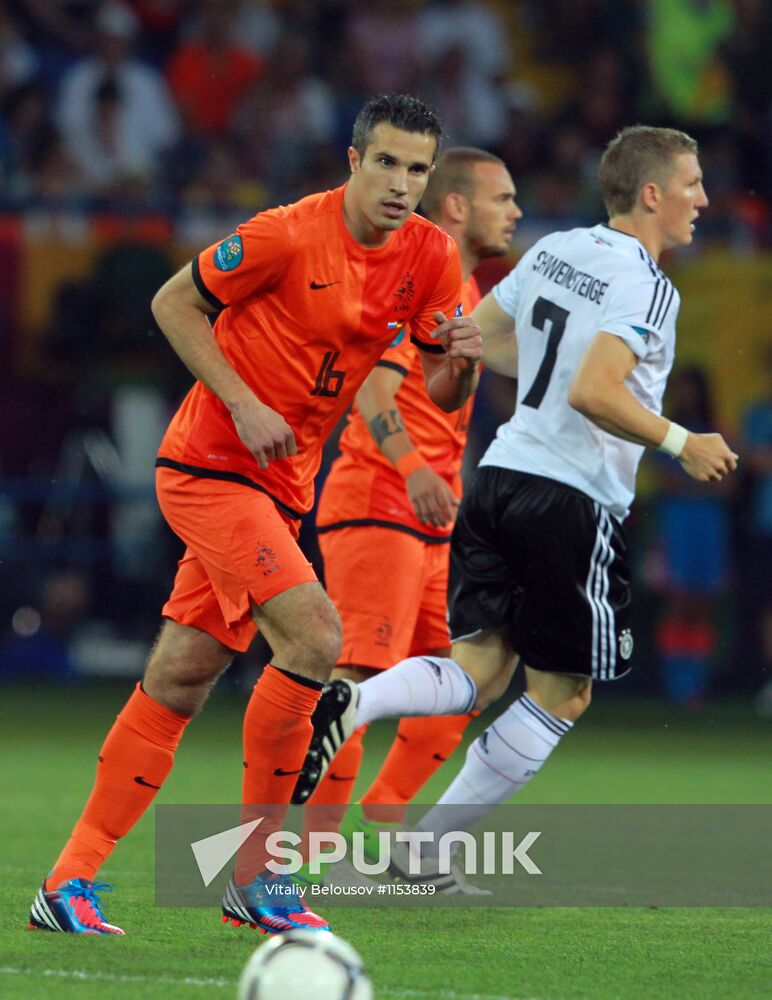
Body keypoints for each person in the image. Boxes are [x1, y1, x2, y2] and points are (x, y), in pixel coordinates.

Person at [27, 93, 482, 935]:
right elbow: (174, 302)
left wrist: (460, 362)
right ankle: (258, 878)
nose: (401, 183)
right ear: (354, 161)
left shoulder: (431, 258)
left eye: (417, 169)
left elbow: (430, 383)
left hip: (283, 487)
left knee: (180, 677)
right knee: (316, 636)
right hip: (208, 465)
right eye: (386, 162)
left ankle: (65, 885)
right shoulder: (286, 232)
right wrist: (238, 401)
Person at [296, 125, 739, 879]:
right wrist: (679, 441)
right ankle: (425, 847)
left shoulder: (559, 248)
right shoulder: (649, 287)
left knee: (478, 668)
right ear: (652, 193)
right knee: (563, 694)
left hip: (499, 478)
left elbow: (479, 340)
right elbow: (592, 391)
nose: (703, 199)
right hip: (571, 499)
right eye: (692, 184)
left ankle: (356, 707)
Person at [294, 149, 520, 847]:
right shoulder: (416, 274)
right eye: (502, 198)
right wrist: (415, 466)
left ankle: (385, 820)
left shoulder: (467, 289)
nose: (514, 211)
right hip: (381, 496)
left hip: (433, 514)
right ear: (456, 206)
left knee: (462, 684)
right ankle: (302, 854)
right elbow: (374, 386)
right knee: (356, 676)